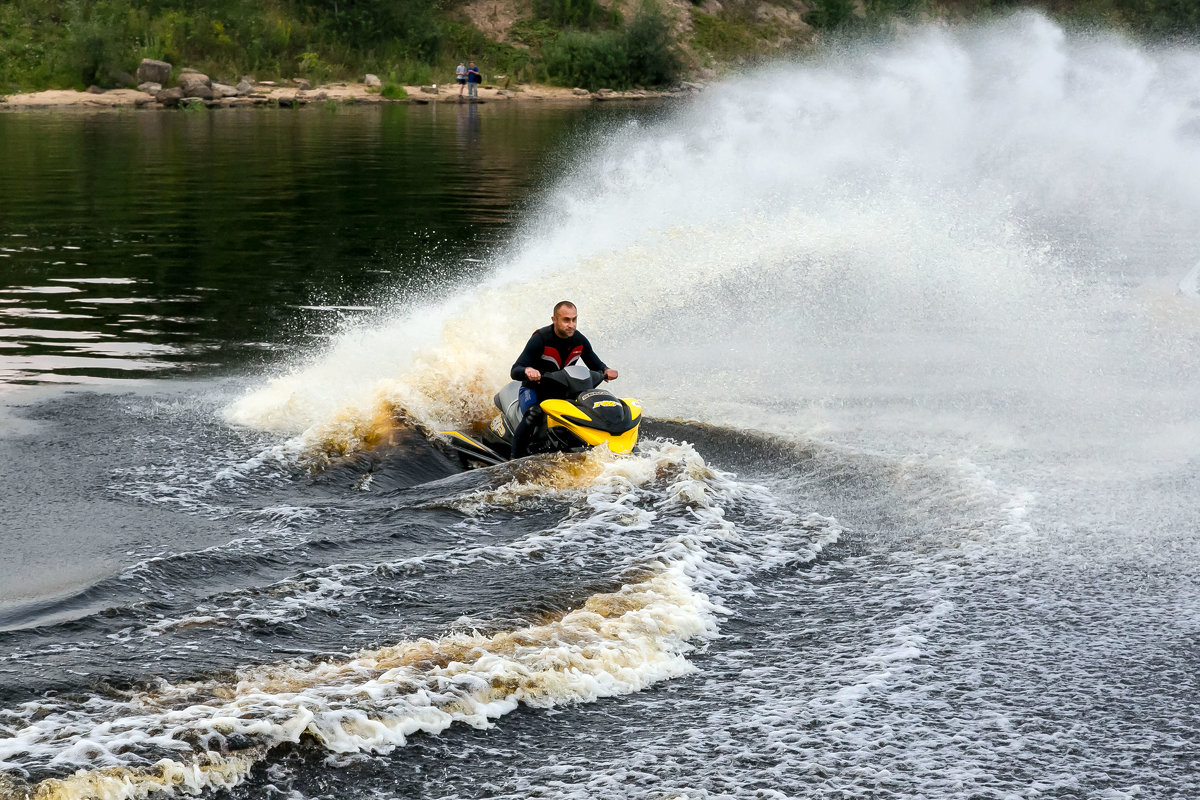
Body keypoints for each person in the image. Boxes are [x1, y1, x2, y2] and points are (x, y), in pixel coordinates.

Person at [509, 301, 618, 458]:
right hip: (535, 390)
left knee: (590, 410)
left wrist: (606, 370)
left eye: (574, 320)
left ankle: (601, 451)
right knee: (534, 413)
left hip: (564, 391)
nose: (571, 325)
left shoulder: (579, 340)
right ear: (554, 319)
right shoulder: (540, 339)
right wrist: (528, 370)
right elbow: (515, 370)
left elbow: (595, 362)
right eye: (566, 320)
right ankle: (514, 459)